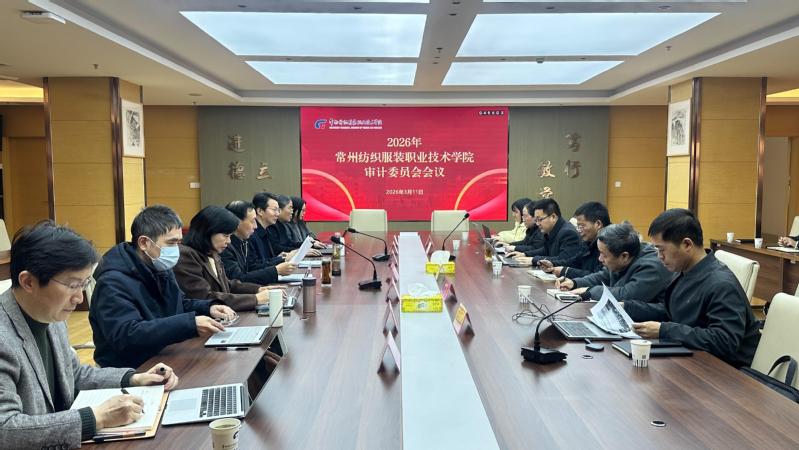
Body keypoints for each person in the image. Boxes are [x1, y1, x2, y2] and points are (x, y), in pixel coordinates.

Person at [0, 221, 179, 448]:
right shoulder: (5, 336)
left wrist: (134, 379)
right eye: (72, 285)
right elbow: (5, 428)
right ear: (28, 282)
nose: (79, 298)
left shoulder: (50, 315)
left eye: (84, 284)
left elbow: (73, 375)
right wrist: (95, 418)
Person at [90, 205, 236, 368]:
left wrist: (209, 307)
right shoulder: (112, 282)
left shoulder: (159, 266)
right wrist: (189, 324)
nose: (176, 250)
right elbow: (127, 335)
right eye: (171, 243)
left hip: (167, 354)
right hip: (132, 369)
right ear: (144, 243)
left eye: (178, 243)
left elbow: (180, 303)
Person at [624, 209, 761, 368]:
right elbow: (675, 311)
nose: (659, 257)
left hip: (725, 371)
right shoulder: (685, 271)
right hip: (693, 358)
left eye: (661, 250)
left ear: (687, 244)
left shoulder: (721, 284)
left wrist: (664, 330)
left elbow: (724, 341)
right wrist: (628, 307)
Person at [174, 206, 279, 312]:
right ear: (208, 231)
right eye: (225, 235)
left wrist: (258, 289)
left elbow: (227, 285)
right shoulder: (185, 255)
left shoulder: (211, 252)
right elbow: (204, 297)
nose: (229, 241)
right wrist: (255, 299)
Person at [556, 222, 672, 303]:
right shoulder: (624, 256)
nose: (600, 259)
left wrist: (589, 291)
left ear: (624, 256)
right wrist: (575, 283)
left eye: (604, 255)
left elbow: (626, 295)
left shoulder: (652, 267)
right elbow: (603, 276)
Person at [222, 200, 296, 286]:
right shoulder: (225, 247)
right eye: (252, 221)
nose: (255, 226)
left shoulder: (243, 241)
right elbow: (239, 279)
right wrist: (276, 270)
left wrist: (280, 260)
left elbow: (252, 267)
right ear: (236, 222)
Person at [540, 201, 611, 278]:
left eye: (582, 226)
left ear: (598, 224)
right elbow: (574, 261)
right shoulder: (588, 243)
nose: (579, 230)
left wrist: (566, 271)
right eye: (578, 226)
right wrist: (553, 264)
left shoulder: (609, 244)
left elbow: (598, 277)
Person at [507, 198, 581, 267]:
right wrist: (524, 254)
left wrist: (533, 260)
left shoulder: (568, 233)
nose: (537, 224)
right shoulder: (551, 230)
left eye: (540, 219)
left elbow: (564, 260)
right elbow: (545, 250)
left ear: (553, 217)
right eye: (536, 220)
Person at [252, 192, 292, 265]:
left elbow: (267, 260)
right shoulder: (251, 234)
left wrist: (279, 257)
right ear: (260, 211)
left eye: (278, 210)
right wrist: (281, 260)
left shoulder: (266, 230)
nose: (277, 214)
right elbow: (256, 266)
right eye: (274, 210)